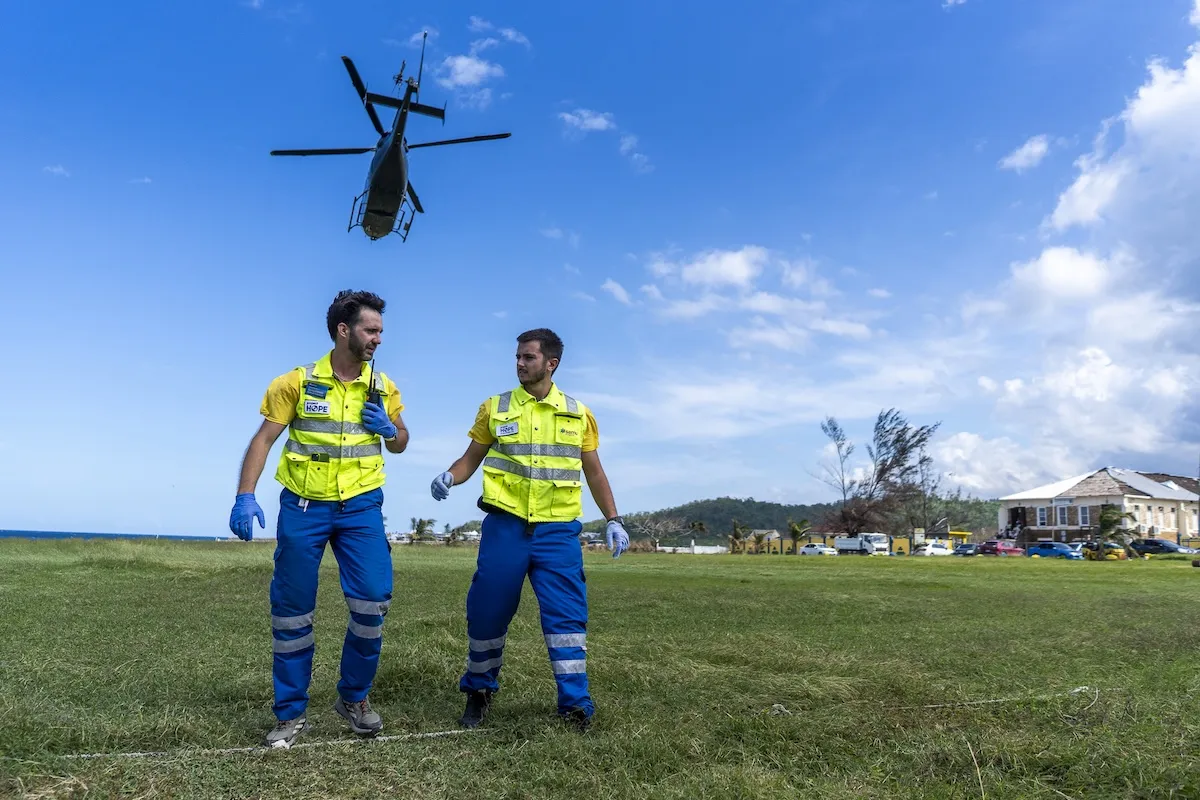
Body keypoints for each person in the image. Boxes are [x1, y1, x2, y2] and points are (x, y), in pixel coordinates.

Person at [228, 289, 409, 749]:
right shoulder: (295, 382)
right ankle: (290, 714)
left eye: (381, 331)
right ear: (343, 330)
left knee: (373, 603)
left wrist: (391, 430)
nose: (378, 339)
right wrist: (245, 495)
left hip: (362, 508)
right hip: (304, 508)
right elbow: (264, 439)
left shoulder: (383, 387)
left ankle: (354, 698)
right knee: (292, 612)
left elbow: (402, 441)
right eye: (371, 330)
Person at [430, 327, 629, 731]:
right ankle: (479, 692)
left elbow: (594, 471)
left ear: (551, 363)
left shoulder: (579, 414)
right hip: (505, 527)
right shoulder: (495, 408)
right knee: (487, 613)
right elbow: (471, 459)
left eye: (528, 357)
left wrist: (613, 518)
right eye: (517, 357)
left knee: (567, 619)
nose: (520, 363)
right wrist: (450, 476)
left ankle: (575, 704)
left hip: (557, 533)